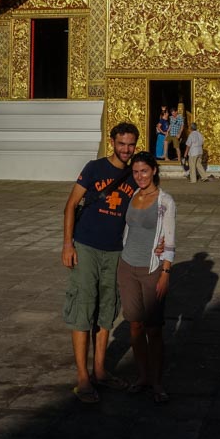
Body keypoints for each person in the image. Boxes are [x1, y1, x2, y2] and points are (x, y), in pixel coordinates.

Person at [61, 122, 139, 404]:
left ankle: (100, 370)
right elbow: (70, 205)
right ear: (112, 142)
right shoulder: (94, 168)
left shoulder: (134, 175)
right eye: (121, 143)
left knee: (107, 308)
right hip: (86, 245)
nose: (126, 149)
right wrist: (68, 244)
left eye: (131, 144)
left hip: (114, 250)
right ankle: (83, 377)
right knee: (83, 306)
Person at [117, 150, 175, 403]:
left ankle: (158, 381)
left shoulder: (165, 201)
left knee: (154, 328)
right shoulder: (132, 195)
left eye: (144, 171)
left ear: (154, 171)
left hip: (152, 269)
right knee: (135, 325)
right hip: (127, 266)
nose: (140, 176)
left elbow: (170, 240)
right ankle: (142, 376)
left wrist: (165, 272)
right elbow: (127, 229)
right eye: (136, 172)